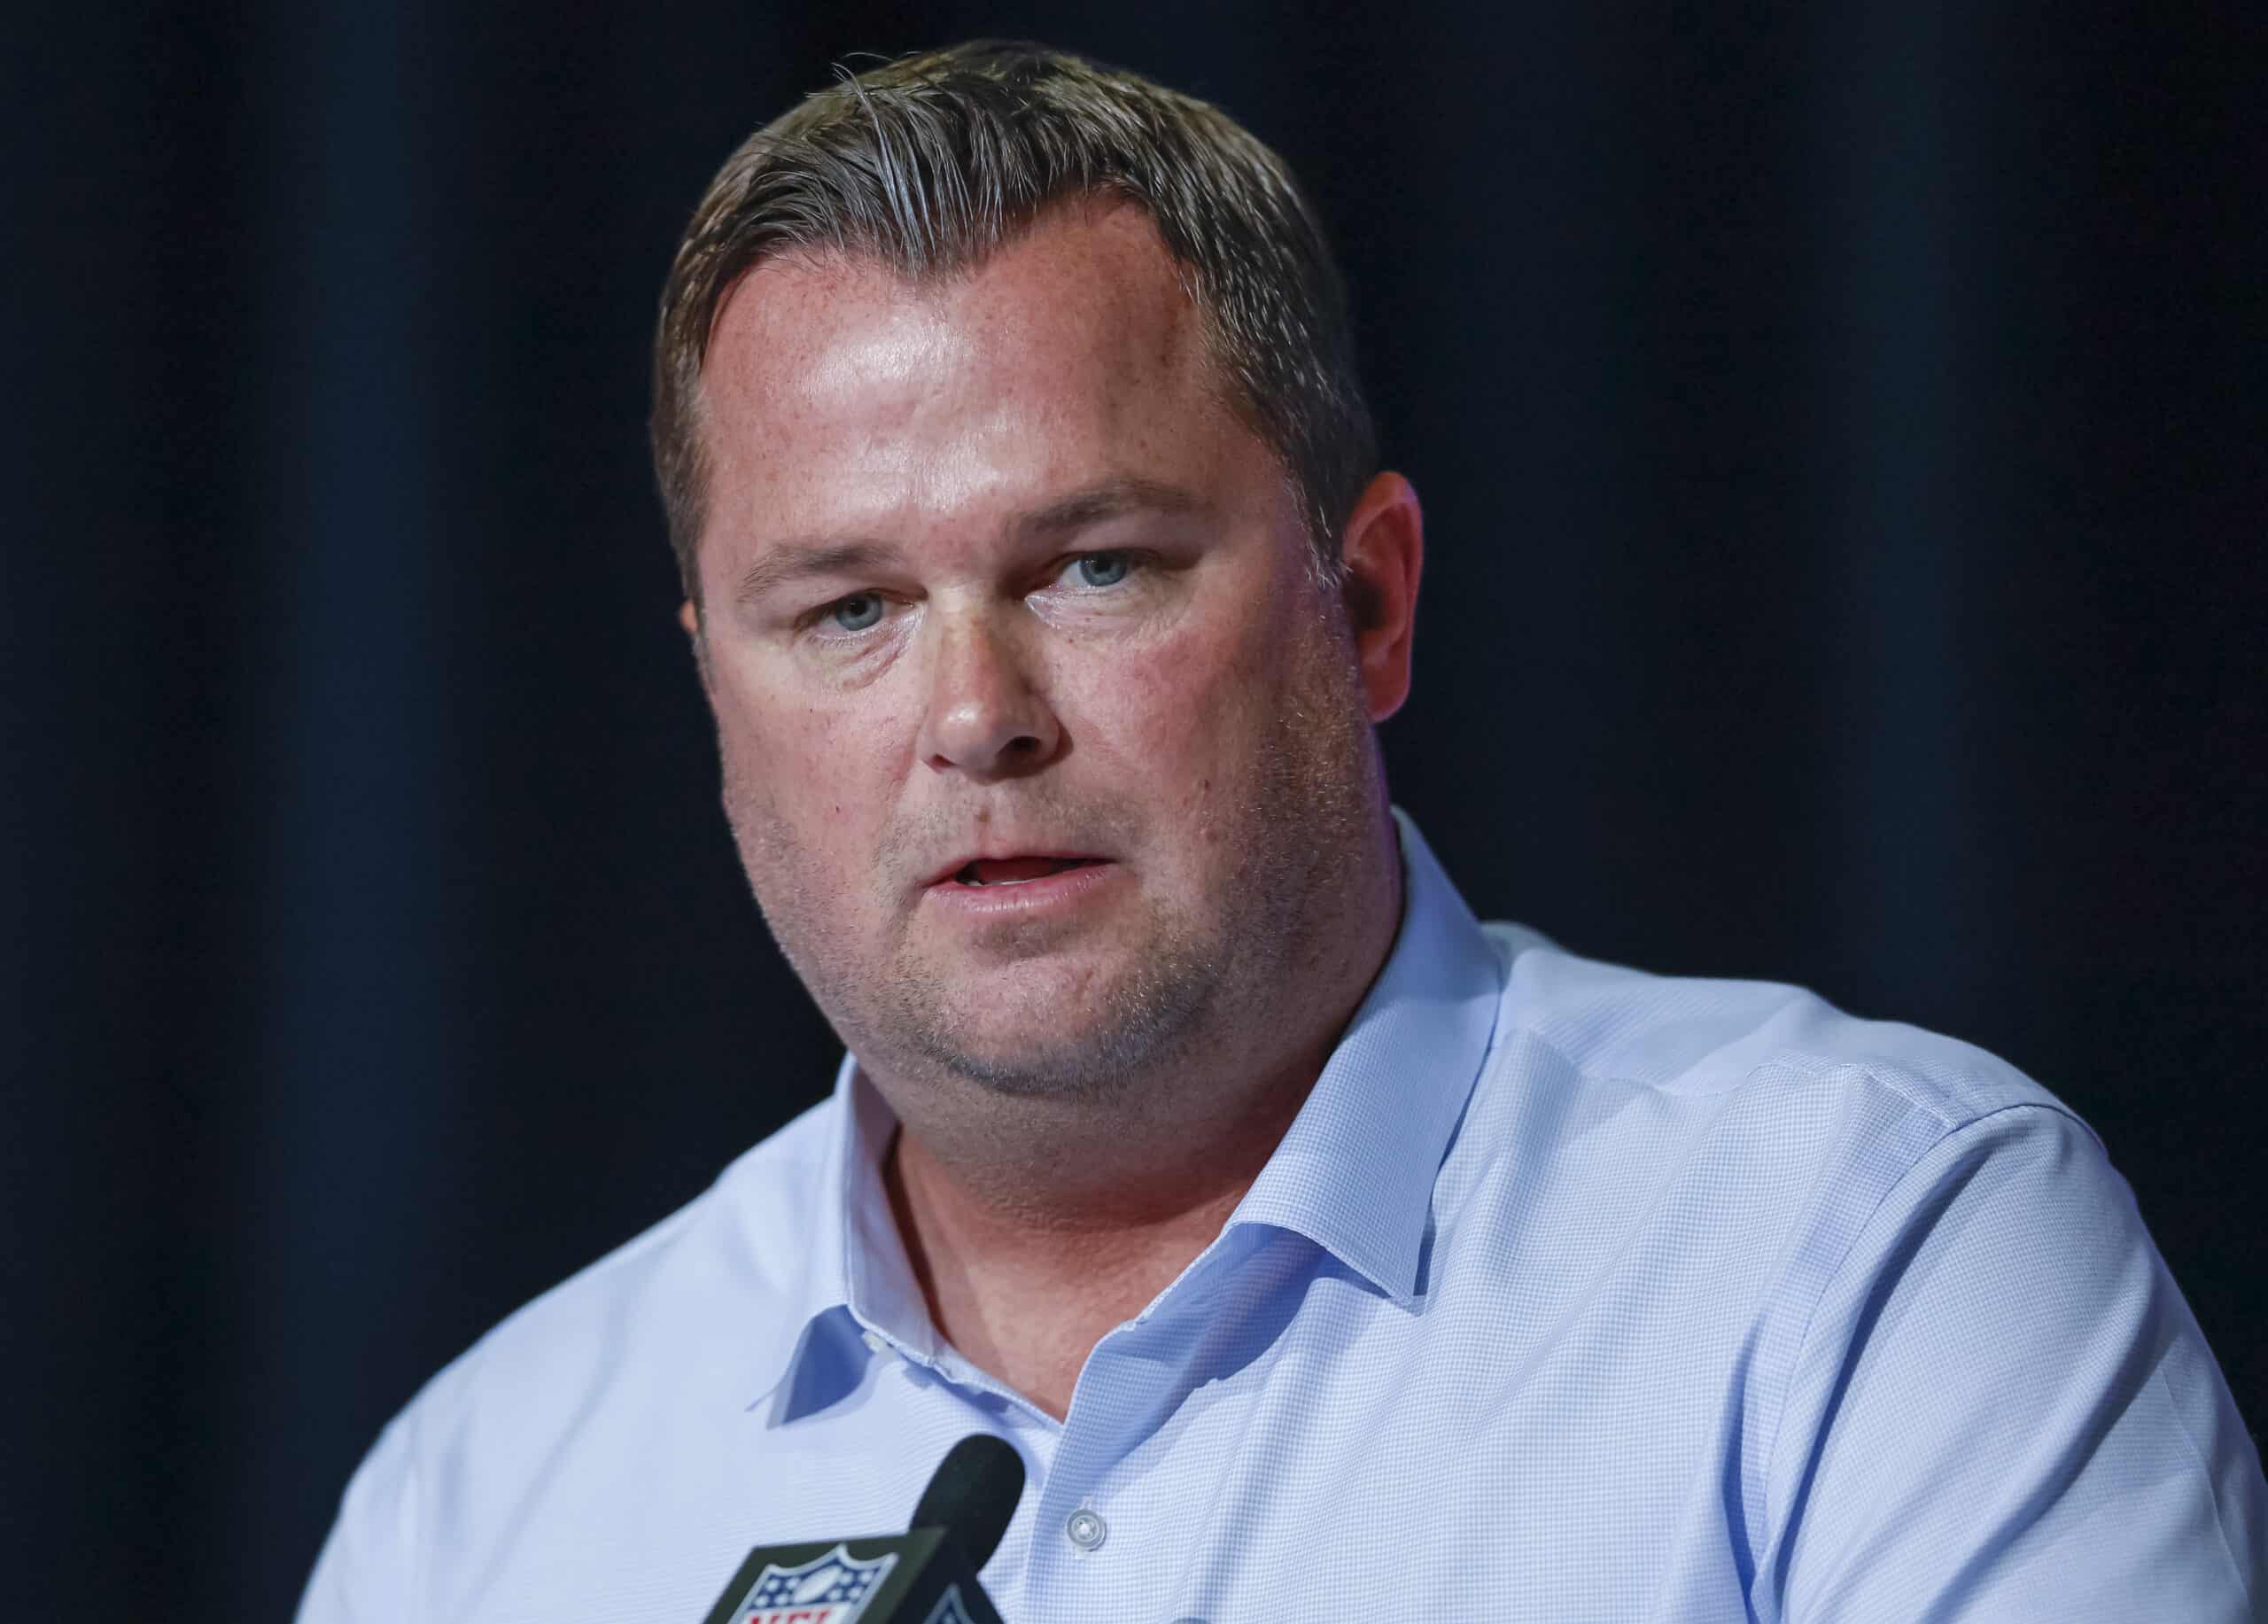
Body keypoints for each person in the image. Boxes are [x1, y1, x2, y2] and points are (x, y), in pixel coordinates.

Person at [298, 42, 2264, 1622]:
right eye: (847, 612)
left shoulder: (1865, 1258)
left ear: (1370, 599)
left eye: (1090, 564)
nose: (974, 716)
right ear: (716, 691)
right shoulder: (480, 1503)